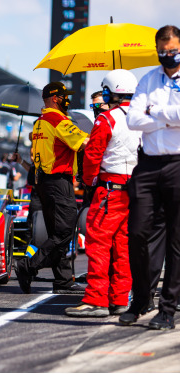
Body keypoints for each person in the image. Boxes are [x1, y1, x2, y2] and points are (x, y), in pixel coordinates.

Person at [65, 69, 141, 318]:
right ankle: (120, 299)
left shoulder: (106, 118)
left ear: (110, 91)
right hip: (137, 190)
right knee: (124, 246)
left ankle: (96, 300)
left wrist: (89, 181)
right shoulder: (144, 118)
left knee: (98, 243)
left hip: (110, 190)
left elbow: (92, 154)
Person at [122, 25, 180, 330]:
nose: (167, 56)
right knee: (138, 234)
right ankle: (142, 299)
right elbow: (133, 120)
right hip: (147, 165)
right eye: (163, 51)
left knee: (176, 240)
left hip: (178, 165)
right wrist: (167, 118)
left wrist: (156, 114)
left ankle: (167, 309)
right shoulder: (148, 79)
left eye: (172, 50)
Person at [15, 81, 89, 295]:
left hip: (44, 184)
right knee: (65, 231)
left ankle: (63, 281)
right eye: (65, 96)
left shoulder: (39, 122)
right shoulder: (58, 119)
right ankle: (28, 266)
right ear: (56, 98)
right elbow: (82, 142)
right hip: (58, 182)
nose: (68, 100)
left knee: (57, 232)